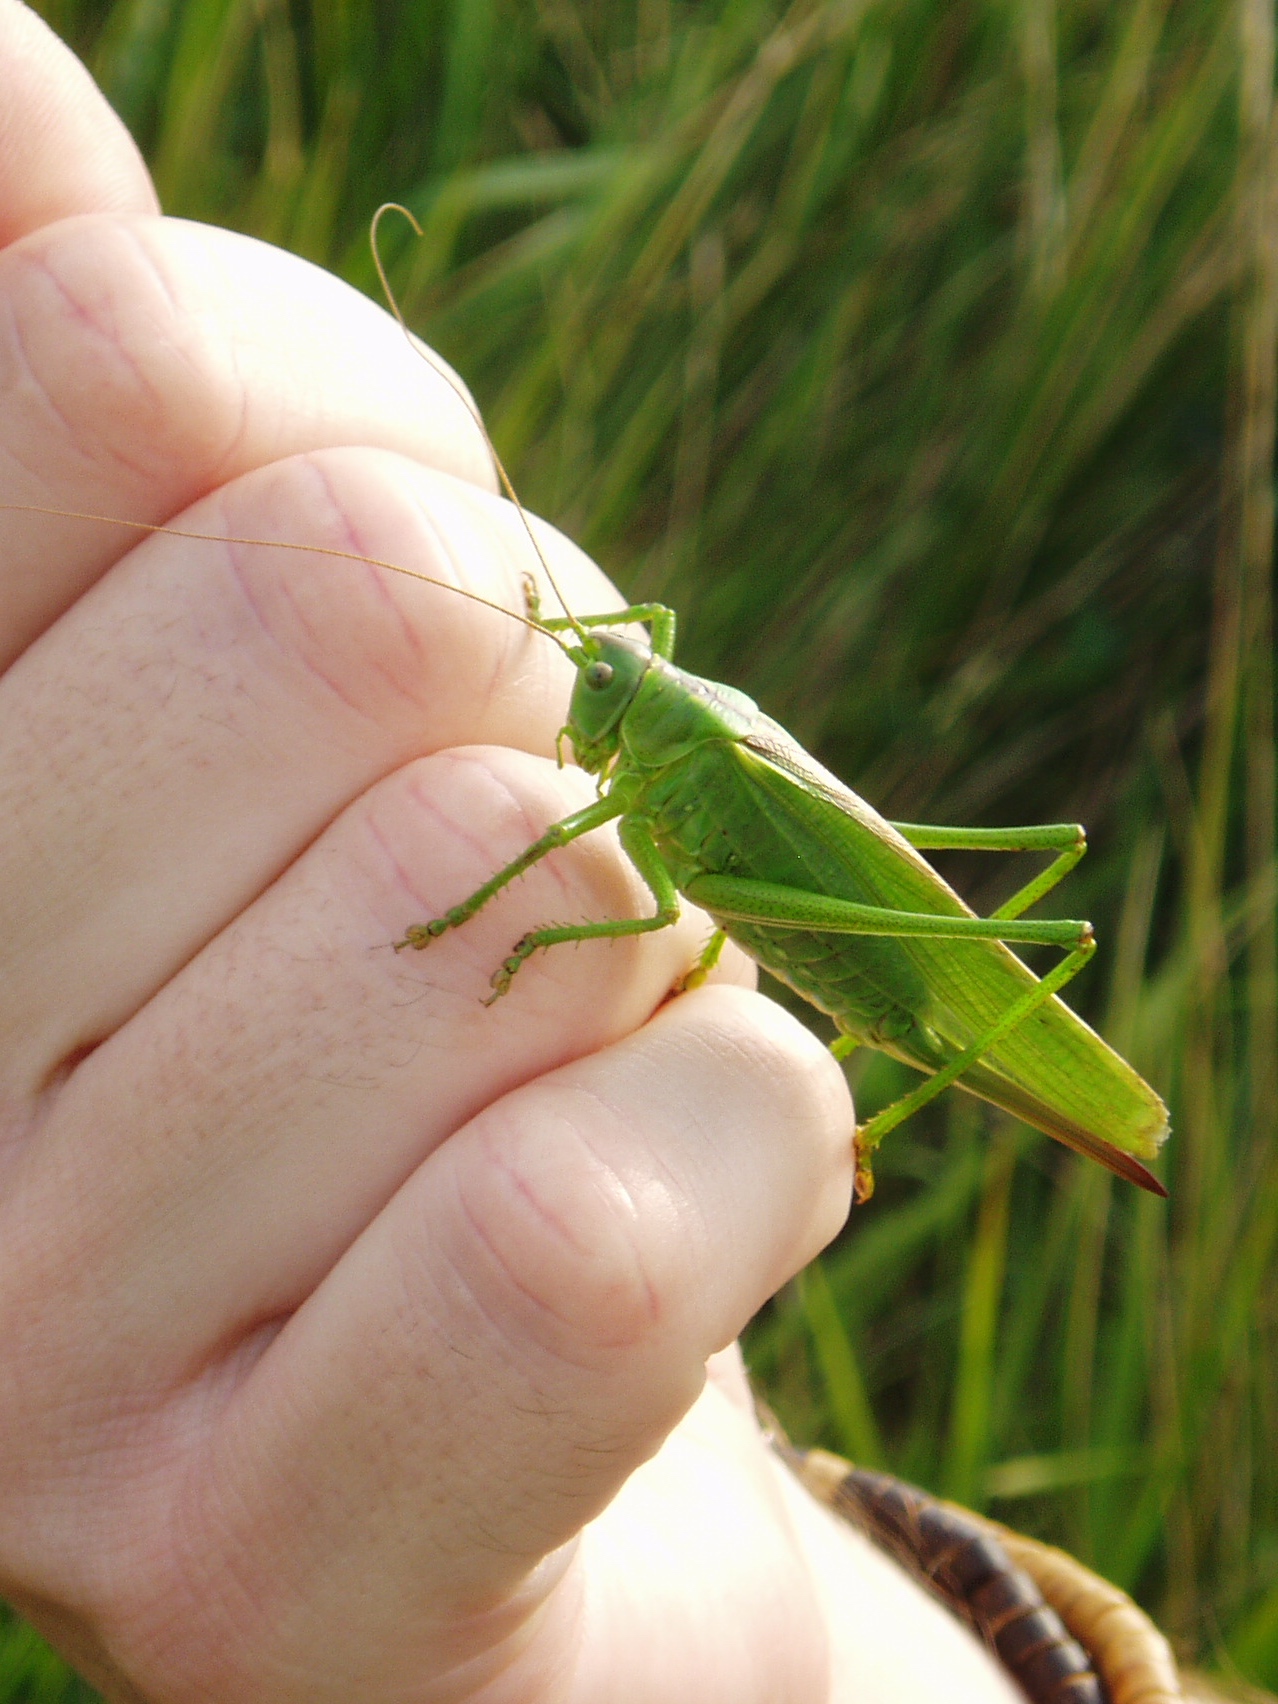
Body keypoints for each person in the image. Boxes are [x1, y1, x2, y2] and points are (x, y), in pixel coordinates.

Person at [0, 5, 1032, 1698]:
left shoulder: (669, 745)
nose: (591, 686)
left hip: (821, 903)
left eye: (608, 669)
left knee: (582, 895)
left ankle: (908, 1093)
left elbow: (597, 865)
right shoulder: (643, 691)